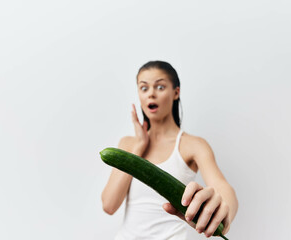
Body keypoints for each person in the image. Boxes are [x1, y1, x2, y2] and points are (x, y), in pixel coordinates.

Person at [101, 60, 238, 239]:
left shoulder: (193, 145)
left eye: (159, 87)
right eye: (144, 88)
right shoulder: (128, 144)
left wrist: (223, 211)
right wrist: (139, 146)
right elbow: (109, 205)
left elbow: (224, 188)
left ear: (176, 93)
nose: (151, 94)